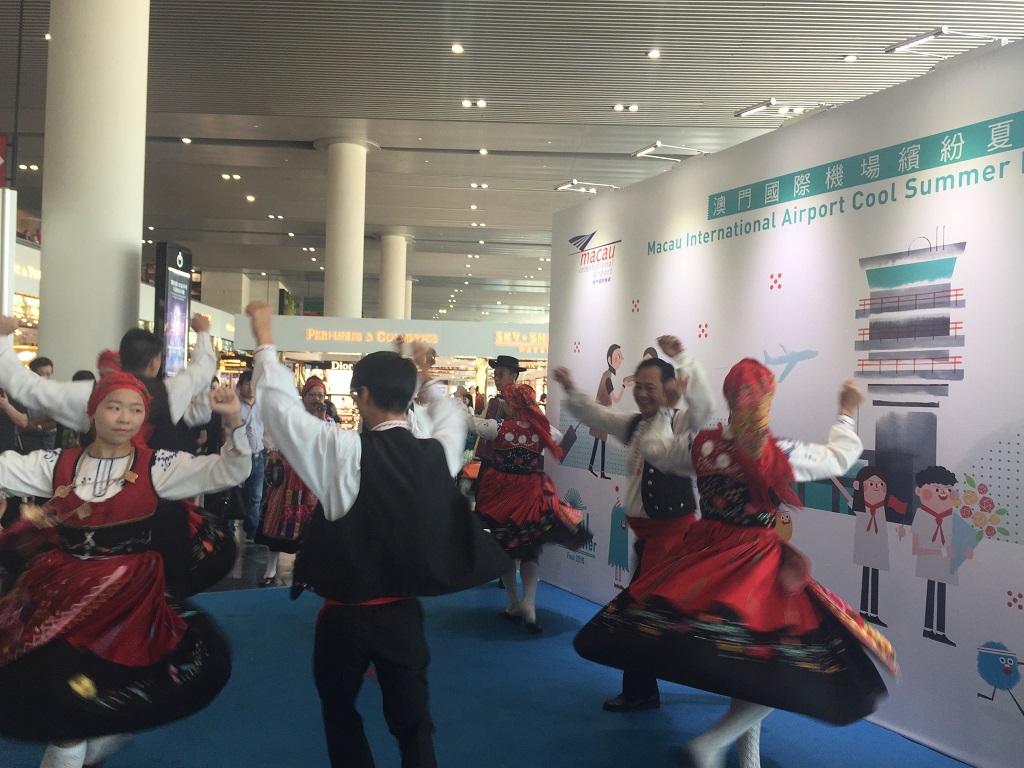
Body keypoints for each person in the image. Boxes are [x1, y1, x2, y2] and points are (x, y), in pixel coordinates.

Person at [573, 360, 897, 768]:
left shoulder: (703, 445)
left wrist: (667, 411)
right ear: (766, 400)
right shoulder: (780, 452)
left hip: (704, 558)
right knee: (777, 667)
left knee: (749, 663)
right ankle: (714, 741)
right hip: (755, 565)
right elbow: (839, 457)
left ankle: (748, 759)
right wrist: (847, 412)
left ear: (728, 398)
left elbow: (657, 451)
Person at [245, 300, 508, 768]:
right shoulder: (436, 453)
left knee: (339, 711)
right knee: (414, 722)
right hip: (402, 616)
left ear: (361, 394)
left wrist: (266, 338)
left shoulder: (340, 449)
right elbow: (451, 418)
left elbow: (281, 410)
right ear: (408, 397)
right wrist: (428, 378)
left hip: (344, 617)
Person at [0, 372, 250, 768]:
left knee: (90, 688)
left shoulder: (158, 466)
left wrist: (234, 420)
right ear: (92, 411)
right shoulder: (58, 463)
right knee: (54, 686)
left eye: (135, 410)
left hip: (125, 601)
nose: (124, 418)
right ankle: (92, 737)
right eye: (114, 407)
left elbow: (230, 471)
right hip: (59, 591)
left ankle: (94, 735)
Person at [553, 334, 714, 711]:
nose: (641, 393)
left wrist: (683, 357)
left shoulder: (681, 422)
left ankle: (644, 689)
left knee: (644, 614)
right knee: (652, 616)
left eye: (650, 387)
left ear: (670, 388)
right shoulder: (636, 424)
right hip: (650, 538)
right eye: (638, 386)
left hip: (672, 538)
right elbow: (598, 415)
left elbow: (704, 405)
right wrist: (571, 389)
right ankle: (647, 687)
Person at [465, 380, 592, 634]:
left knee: (503, 549)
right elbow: (558, 438)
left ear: (513, 405)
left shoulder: (496, 427)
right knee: (529, 550)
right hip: (531, 495)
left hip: (501, 497)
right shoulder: (542, 430)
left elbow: (471, 423)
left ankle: (514, 602)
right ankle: (529, 605)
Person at [254, 376, 330, 586]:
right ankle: (271, 569)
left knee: (308, 528)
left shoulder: (326, 421)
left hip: (312, 480)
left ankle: (303, 571)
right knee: (278, 522)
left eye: (321, 395)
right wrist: (272, 451)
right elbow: (272, 433)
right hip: (288, 477)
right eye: (313, 394)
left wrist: (321, 419)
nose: (317, 399)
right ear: (304, 396)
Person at [472, 355, 525, 462]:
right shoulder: (494, 401)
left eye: (500, 374)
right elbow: (482, 421)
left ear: (513, 376)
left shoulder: (523, 401)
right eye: (495, 374)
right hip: (491, 459)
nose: (496, 378)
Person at [234, 370, 265, 541]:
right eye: (247, 383)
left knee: (256, 498)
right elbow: (226, 432)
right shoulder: (234, 406)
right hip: (239, 458)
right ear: (240, 386)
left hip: (258, 458)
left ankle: (251, 533)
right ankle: (228, 530)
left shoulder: (261, 406)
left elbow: (265, 430)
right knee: (235, 495)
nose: (251, 387)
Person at [588, 344, 627, 479]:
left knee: (599, 441)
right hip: (602, 415)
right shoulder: (608, 378)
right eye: (618, 356)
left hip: (600, 414)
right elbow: (615, 399)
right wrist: (623, 386)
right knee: (601, 442)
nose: (621, 359)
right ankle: (600, 471)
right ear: (610, 360)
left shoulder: (606, 374)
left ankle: (593, 467)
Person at [21, 357, 58, 452]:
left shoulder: (56, 392)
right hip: (28, 437)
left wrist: (37, 426)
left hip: (49, 437)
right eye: (41, 375)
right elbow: (20, 421)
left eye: (49, 374)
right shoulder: (23, 393)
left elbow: (58, 420)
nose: (45, 378)